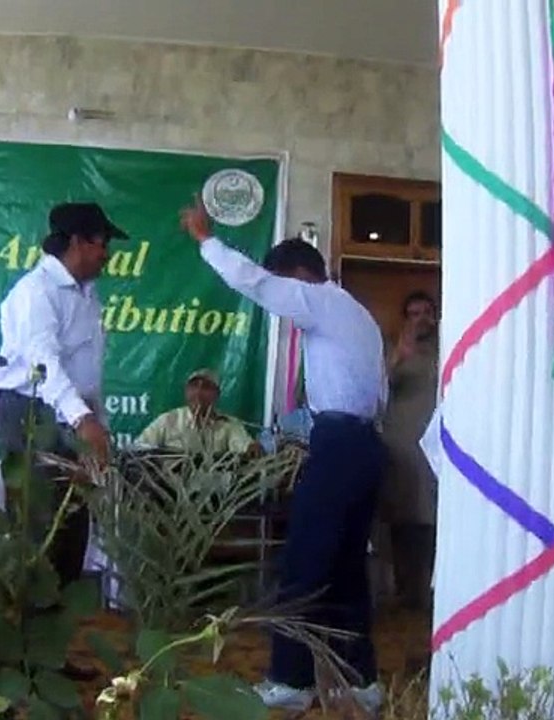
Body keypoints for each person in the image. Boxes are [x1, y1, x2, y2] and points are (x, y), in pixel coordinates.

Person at [180, 198, 387, 714]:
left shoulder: (316, 299)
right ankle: (360, 680)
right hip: (364, 445)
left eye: (285, 285)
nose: (284, 304)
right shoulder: (356, 313)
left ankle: (291, 681)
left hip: (340, 444)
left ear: (298, 275)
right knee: (344, 568)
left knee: (304, 562)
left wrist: (207, 240)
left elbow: (254, 282)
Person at [0, 202, 125, 586]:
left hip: (72, 414)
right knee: (36, 527)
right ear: (79, 242)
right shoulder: (36, 291)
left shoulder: (86, 292)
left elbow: (86, 368)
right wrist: (83, 420)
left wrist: (96, 419)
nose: (107, 255)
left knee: (72, 522)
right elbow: (42, 363)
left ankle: (57, 623)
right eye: (102, 244)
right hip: (33, 414)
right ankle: (23, 628)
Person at [381, 291, 439, 611]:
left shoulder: (445, 346)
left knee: (433, 516)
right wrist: (400, 355)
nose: (420, 319)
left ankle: (432, 586)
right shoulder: (393, 347)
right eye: (413, 313)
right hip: (402, 442)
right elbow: (379, 386)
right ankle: (404, 589)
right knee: (403, 516)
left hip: (437, 444)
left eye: (426, 312)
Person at [136, 368, 257, 456]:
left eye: (206, 387)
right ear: (186, 392)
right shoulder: (168, 420)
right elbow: (139, 449)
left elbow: (245, 446)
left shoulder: (229, 425)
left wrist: (252, 448)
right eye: (194, 386)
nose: (198, 392)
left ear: (216, 395)